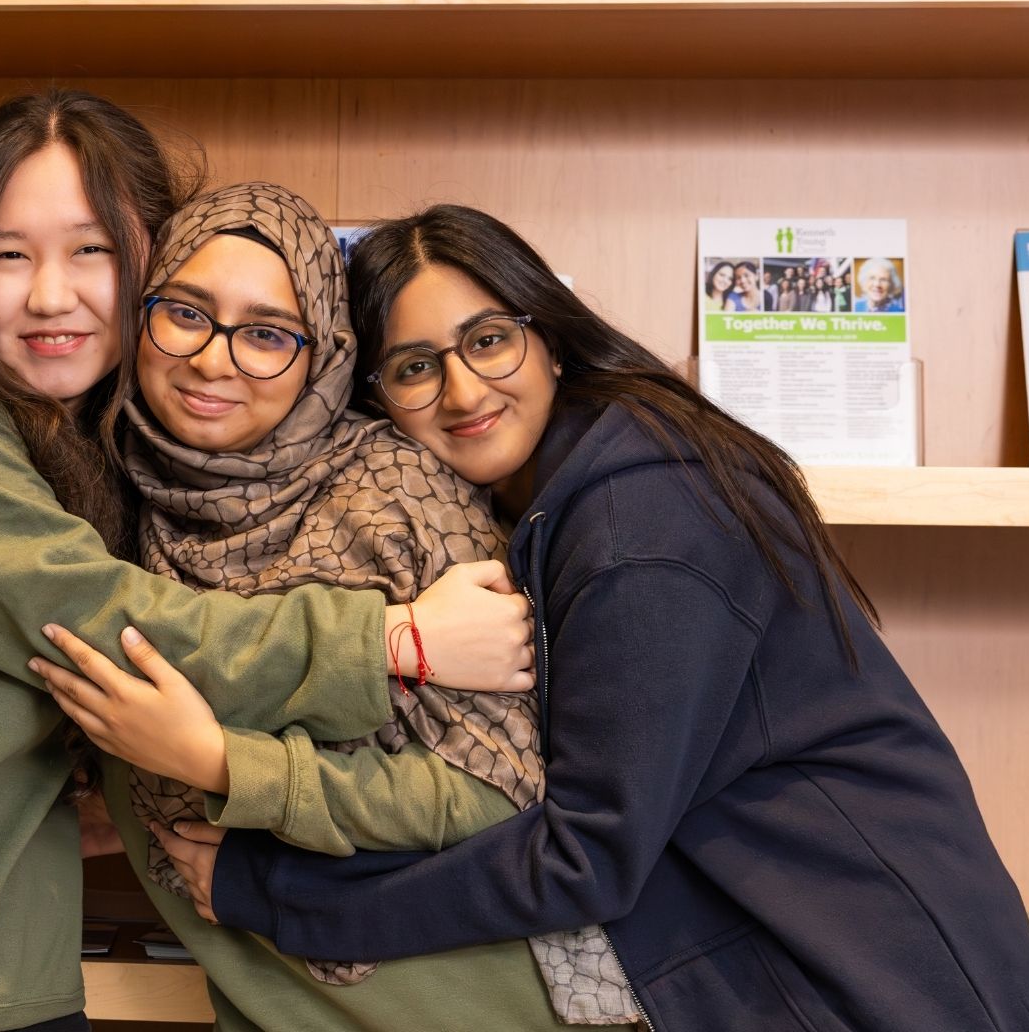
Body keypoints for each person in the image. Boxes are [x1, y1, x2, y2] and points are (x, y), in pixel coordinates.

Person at [44, 203, 1029, 1030]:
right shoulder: (546, 501)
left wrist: (278, 893)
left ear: (552, 340)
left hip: (877, 979)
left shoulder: (642, 518)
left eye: (488, 341)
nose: (462, 390)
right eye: (415, 366)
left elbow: (582, 855)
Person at [0, 97, 533, 1032]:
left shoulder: (121, 455)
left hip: (6, 975)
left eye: (90, 250)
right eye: (7, 255)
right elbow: (102, 622)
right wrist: (395, 641)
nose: (50, 296)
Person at [35, 183, 620, 1029]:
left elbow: (500, 793)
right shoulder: (110, 500)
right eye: (186, 314)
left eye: (268, 334)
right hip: (270, 999)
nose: (215, 360)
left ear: (326, 356)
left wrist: (227, 766)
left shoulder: (395, 493)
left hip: (462, 1002)